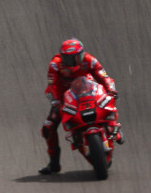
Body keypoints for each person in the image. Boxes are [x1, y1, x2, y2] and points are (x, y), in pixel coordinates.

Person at [38, 38, 121, 175]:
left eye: (75, 57)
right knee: (48, 127)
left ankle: (114, 127)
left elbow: (104, 76)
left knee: (108, 101)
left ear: (82, 55)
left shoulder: (90, 60)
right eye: (68, 58)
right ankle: (54, 164)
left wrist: (112, 90)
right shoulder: (55, 65)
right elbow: (51, 86)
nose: (72, 62)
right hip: (66, 98)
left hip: (89, 92)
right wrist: (56, 102)